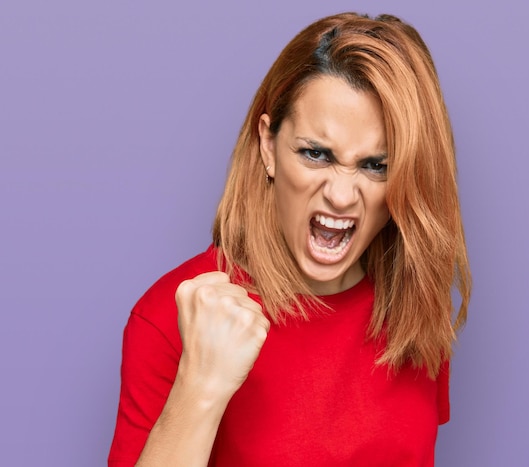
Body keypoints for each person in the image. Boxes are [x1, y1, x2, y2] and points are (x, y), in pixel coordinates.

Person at [108, 11, 471, 467]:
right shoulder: (173, 315)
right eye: (316, 153)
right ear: (268, 145)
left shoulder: (410, 307)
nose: (341, 195)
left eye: (375, 165)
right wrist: (200, 389)